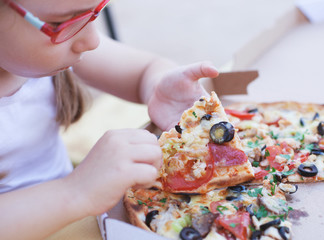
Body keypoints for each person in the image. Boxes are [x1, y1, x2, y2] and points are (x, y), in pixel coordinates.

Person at [0, 0, 219, 239]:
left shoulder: (44, 47)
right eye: (60, 23)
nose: (93, 40)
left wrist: (158, 87)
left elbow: (144, 70)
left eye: (95, 12)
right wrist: (75, 191)